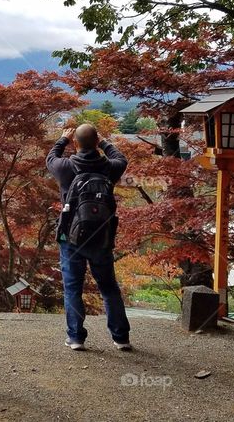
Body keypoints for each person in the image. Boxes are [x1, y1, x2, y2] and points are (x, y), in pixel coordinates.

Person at [46, 123, 132, 352]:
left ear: (76, 143)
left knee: (73, 288)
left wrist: (63, 139)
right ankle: (121, 337)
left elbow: (50, 158)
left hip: (70, 238)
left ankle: (75, 337)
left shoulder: (65, 167)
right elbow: (121, 158)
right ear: (96, 143)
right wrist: (104, 142)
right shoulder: (110, 168)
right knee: (109, 287)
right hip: (101, 236)